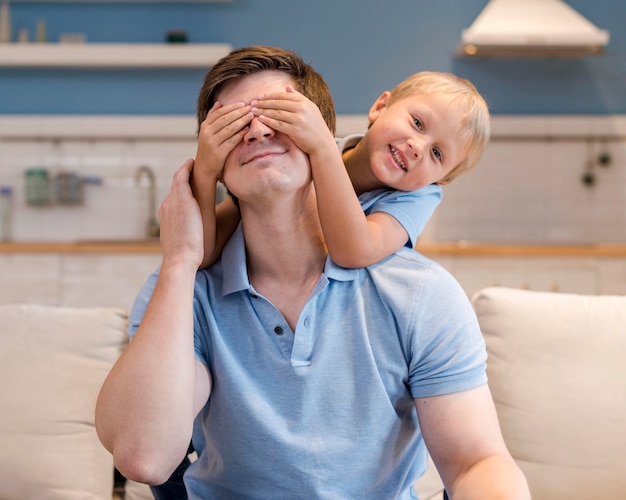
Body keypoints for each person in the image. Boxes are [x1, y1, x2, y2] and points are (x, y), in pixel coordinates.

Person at [95, 46, 530, 499]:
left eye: (278, 113)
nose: (259, 128)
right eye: (236, 120)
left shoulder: (420, 290)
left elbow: (477, 462)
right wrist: (180, 259)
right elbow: (142, 456)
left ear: (318, 132)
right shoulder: (185, 293)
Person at [192, 65, 489, 269]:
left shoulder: (417, 198)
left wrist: (321, 149)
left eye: (437, 154)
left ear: (441, 181)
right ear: (380, 107)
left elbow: (354, 251)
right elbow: (203, 250)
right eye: (417, 123)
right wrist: (205, 172)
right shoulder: (306, 152)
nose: (417, 147)